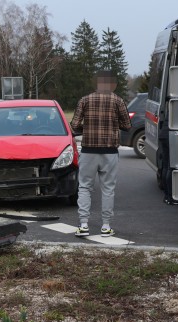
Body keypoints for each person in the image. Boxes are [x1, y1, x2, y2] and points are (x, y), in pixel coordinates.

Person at [70, 70, 131, 237]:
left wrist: (87, 129)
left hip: (89, 150)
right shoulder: (118, 100)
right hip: (109, 151)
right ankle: (106, 226)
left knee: (84, 187)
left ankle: (83, 225)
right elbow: (127, 125)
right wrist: (112, 125)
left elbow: (74, 125)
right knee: (108, 189)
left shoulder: (85, 100)